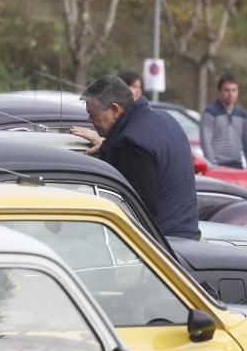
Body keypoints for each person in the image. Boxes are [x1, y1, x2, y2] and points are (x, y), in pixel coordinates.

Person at [70, 75, 199, 240]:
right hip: (187, 234)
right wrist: (107, 147)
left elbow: (137, 208)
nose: (90, 120)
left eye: (92, 114)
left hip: (162, 244)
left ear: (115, 109)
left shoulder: (131, 145)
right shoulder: (165, 120)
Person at [199, 73, 247, 169]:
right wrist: (213, 166)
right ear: (220, 91)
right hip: (217, 166)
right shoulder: (210, 112)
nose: (231, 94)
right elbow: (205, 141)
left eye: (234, 90)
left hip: (237, 165)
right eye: (227, 90)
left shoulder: (243, 115)